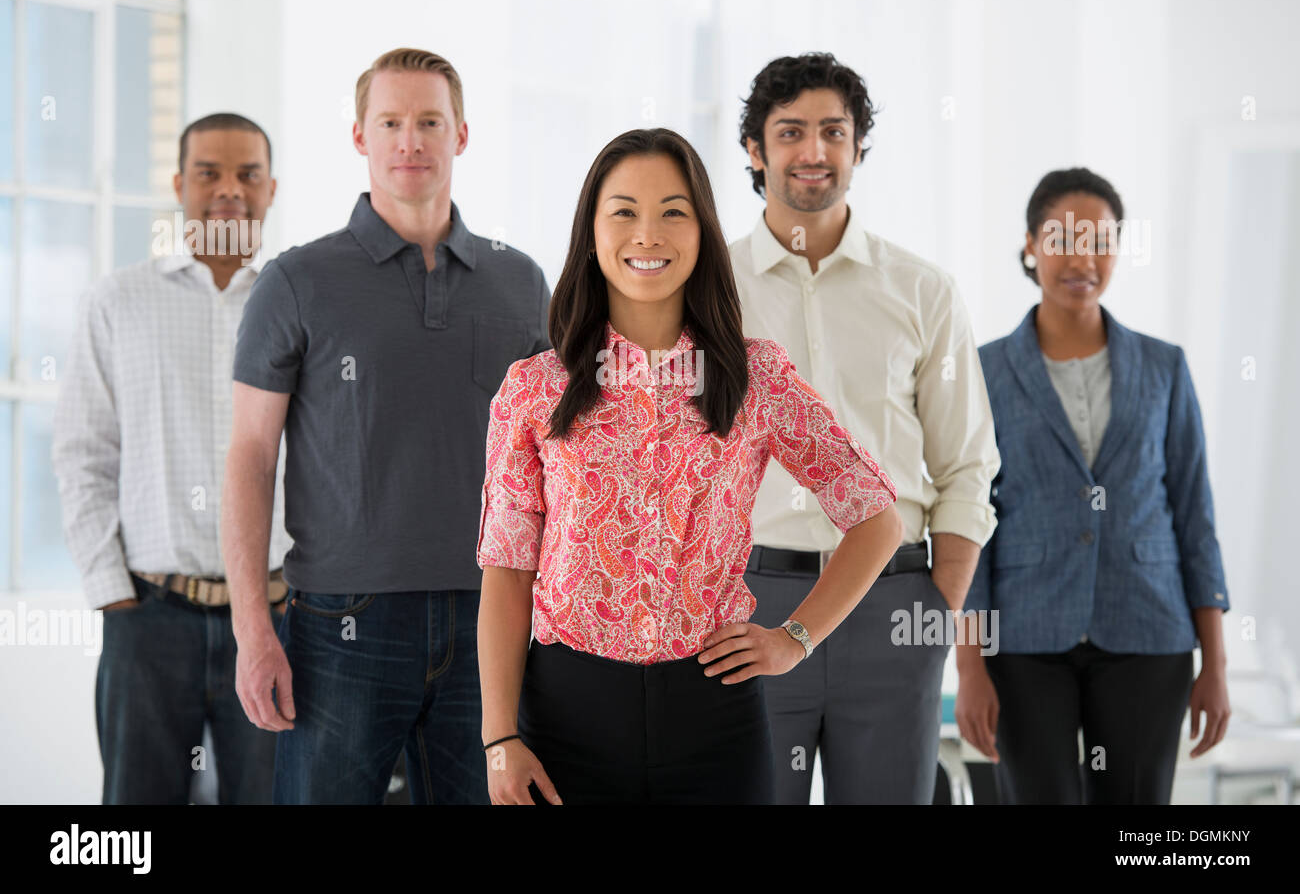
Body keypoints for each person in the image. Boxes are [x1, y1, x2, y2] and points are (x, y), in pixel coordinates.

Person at [476, 127, 903, 805]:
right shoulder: (534, 389)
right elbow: (506, 570)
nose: (649, 234)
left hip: (716, 721)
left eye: (673, 212)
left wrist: (795, 639)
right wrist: (499, 739)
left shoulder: (755, 376)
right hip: (564, 717)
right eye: (624, 211)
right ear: (591, 231)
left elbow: (877, 516)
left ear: (702, 231)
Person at [225, 48, 550, 804]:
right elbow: (249, 454)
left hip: (493, 612)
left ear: (461, 135)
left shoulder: (521, 280)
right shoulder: (296, 281)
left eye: (429, 122)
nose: (411, 141)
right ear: (359, 136)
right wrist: (252, 628)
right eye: (392, 122)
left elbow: (555, 455)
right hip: (343, 622)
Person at [728, 53, 1001, 803]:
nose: (813, 151)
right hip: (753, 598)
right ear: (756, 150)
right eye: (790, 132)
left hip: (895, 609)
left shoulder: (924, 290)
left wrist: (937, 604)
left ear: (857, 148)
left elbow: (967, 465)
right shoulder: (709, 289)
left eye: (833, 132)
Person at [956, 167, 1231, 803]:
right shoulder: (985, 371)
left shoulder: (1165, 367)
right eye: (1061, 238)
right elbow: (969, 519)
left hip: (1147, 630)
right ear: (1030, 246)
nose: (1082, 257)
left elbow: (1195, 517)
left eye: (1101, 242)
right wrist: (969, 666)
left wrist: (1214, 663)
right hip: (1024, 639)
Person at [52, 112, 291, 803]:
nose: (229, 190)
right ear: (179, 184)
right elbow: (82, 451)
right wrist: (112, 591)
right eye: (210, 173)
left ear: (271, 188)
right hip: (150, 617)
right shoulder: (119, 300)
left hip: (277, 617)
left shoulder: (300, 299)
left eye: (248, 174)